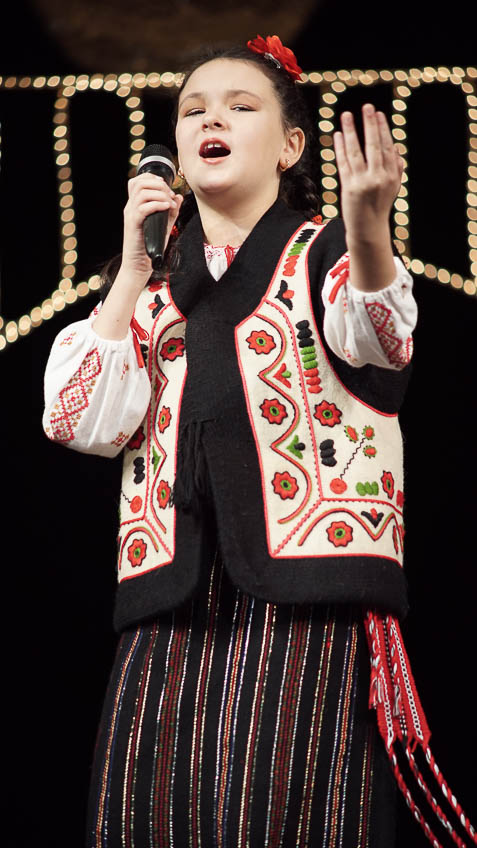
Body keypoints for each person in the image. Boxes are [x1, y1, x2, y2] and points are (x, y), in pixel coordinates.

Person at [43, 36, 474, 848]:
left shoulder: (324, 255)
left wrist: (367, 228)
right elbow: (77, 422)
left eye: (240, 107)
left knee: (285, 816)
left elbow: (381, 339)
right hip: (171, 605)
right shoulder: (148, 287)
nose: (212, 120)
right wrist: (131, 272)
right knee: (149, 819)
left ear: (288, 146)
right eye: (193, 111)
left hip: (306, 598)